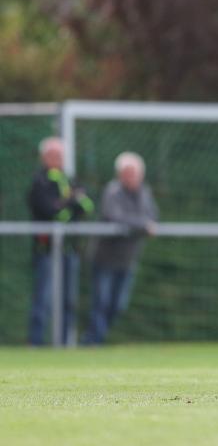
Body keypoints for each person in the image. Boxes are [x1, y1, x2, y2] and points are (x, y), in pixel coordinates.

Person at [83, 152, 159, 344]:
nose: (131, 177)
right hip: (104, 259)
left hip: (128, 259)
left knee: (118, 306)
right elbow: (115, 217)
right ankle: (92, 342)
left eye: (134, 173)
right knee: (101, 303)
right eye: (127, 173)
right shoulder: (112, 191)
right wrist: (142, 226)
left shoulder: (144, 192)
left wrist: (141, 224)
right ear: (119, 174)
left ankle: (95, 338)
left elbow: (152, 216)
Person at [27, 137, 94, 345]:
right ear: (43, 157)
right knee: (43, 300)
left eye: (60, 155)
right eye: (52, 155)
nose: (57, 159)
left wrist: (68, 204)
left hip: (68, 249)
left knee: (68, 301)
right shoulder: (40, 182)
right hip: (46, 250)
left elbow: (87, 207)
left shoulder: (70, 179)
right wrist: (71, 203)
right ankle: (36, 344)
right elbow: (51, 213)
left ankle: (65, 344)